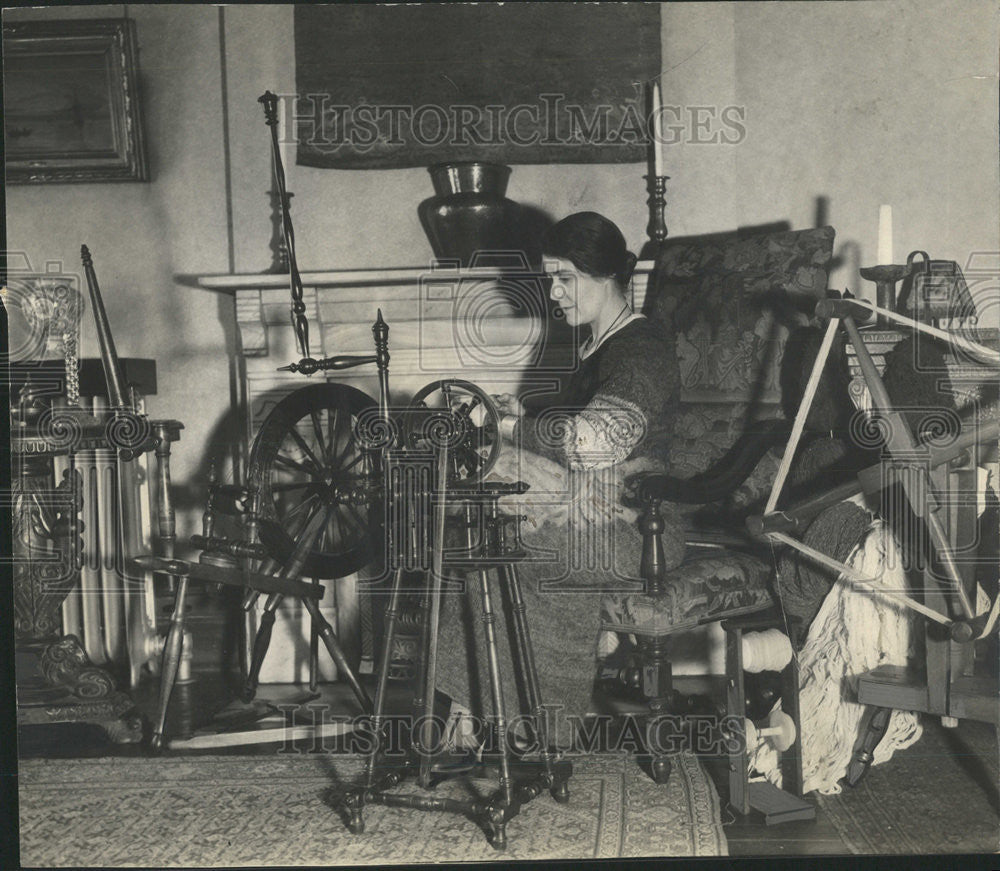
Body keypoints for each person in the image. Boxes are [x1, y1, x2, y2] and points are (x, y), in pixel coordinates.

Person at [433, 211, 685, 754]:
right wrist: (518, 415)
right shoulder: (597, 347)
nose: (553, 292)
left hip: (644, 527)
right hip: (599, 511)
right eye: (550, 279)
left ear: (604, 275)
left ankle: (532, 729)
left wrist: (510, 426)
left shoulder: (641, 346)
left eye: (563, 277)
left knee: (514, 541)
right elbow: (573, 434)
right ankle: (479, 712)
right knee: (478, 522)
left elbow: (597, 441)